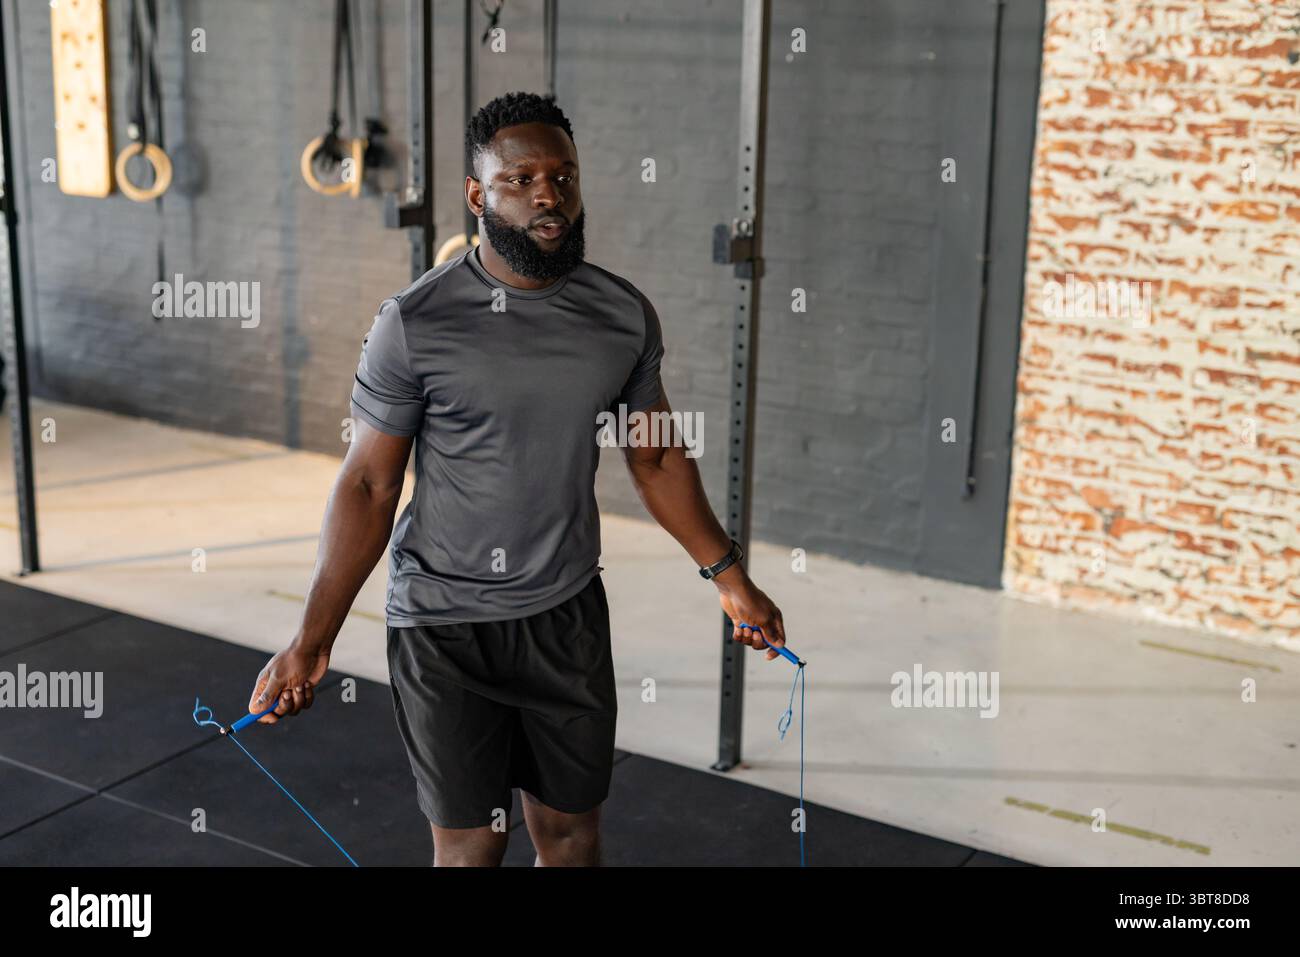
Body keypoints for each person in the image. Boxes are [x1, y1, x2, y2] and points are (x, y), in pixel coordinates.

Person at [247, 91, 787, 866]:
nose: (549, 194)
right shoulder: (414, 322)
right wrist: (310, 640)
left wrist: (730, 576)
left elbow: (657, 454)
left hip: (565, 615)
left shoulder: (622, 316)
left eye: (563, 177)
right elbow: (369, 484)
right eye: (522, 178)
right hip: (443, 623)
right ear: (478, 195)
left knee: (571, 840)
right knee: (471, 849)